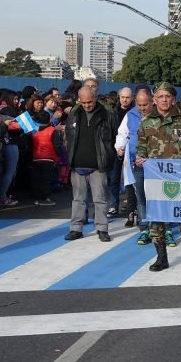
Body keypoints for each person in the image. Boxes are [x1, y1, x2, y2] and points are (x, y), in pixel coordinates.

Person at [136, 82, 181, 273]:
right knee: (157, 218)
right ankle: (161, 258)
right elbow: (141, 146)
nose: (164, 100)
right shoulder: (146, 122)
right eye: (160, 96)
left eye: (168, 96)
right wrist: (140, 157)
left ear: (174, 99)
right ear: (154, 100)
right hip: (156, 179)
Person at [64, 85, 119, 242]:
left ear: (95, 98)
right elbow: (68, 136)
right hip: (77, 164)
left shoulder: (108, 115)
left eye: (90, 101)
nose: (87, 105)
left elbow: (115, 137)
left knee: (100, 199)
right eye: (84, 102)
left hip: (99, 165)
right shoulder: (74, 114)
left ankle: (102, 229)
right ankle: (76, 229)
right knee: (78, 199)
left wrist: (111, 156)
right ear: (79, 100)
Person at [116, 88, 154, 243]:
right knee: (140, 197)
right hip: (136, 162)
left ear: (152, 101)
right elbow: (122, 134)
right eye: (139, 105)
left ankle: (163, 228)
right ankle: (144, 229)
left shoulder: (159, 115)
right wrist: (119, 147)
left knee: (157, 197)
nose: (142, 108)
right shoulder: (130, 115)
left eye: (145, 105)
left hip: (155, 165)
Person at [107, 87, 135, 218]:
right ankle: (113, 205)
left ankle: (131, 206)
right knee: (114, 179)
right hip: (115, 150)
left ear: (132, 98)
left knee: (131, 180)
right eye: (123, 97)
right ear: (119, 97)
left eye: (127, 97)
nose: (125, 100)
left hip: (132, 151)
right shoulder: (111, 112)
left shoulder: (135, 112)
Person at [29, 110, 63, 206]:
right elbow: (57, 145)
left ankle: (37, 197)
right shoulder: (52, 130)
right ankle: (44, 198)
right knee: (46, 179)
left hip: (36, 157)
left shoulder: (33, 130)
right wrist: (58, 156)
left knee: (37, 179)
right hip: (49, 158)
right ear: (49, 120)